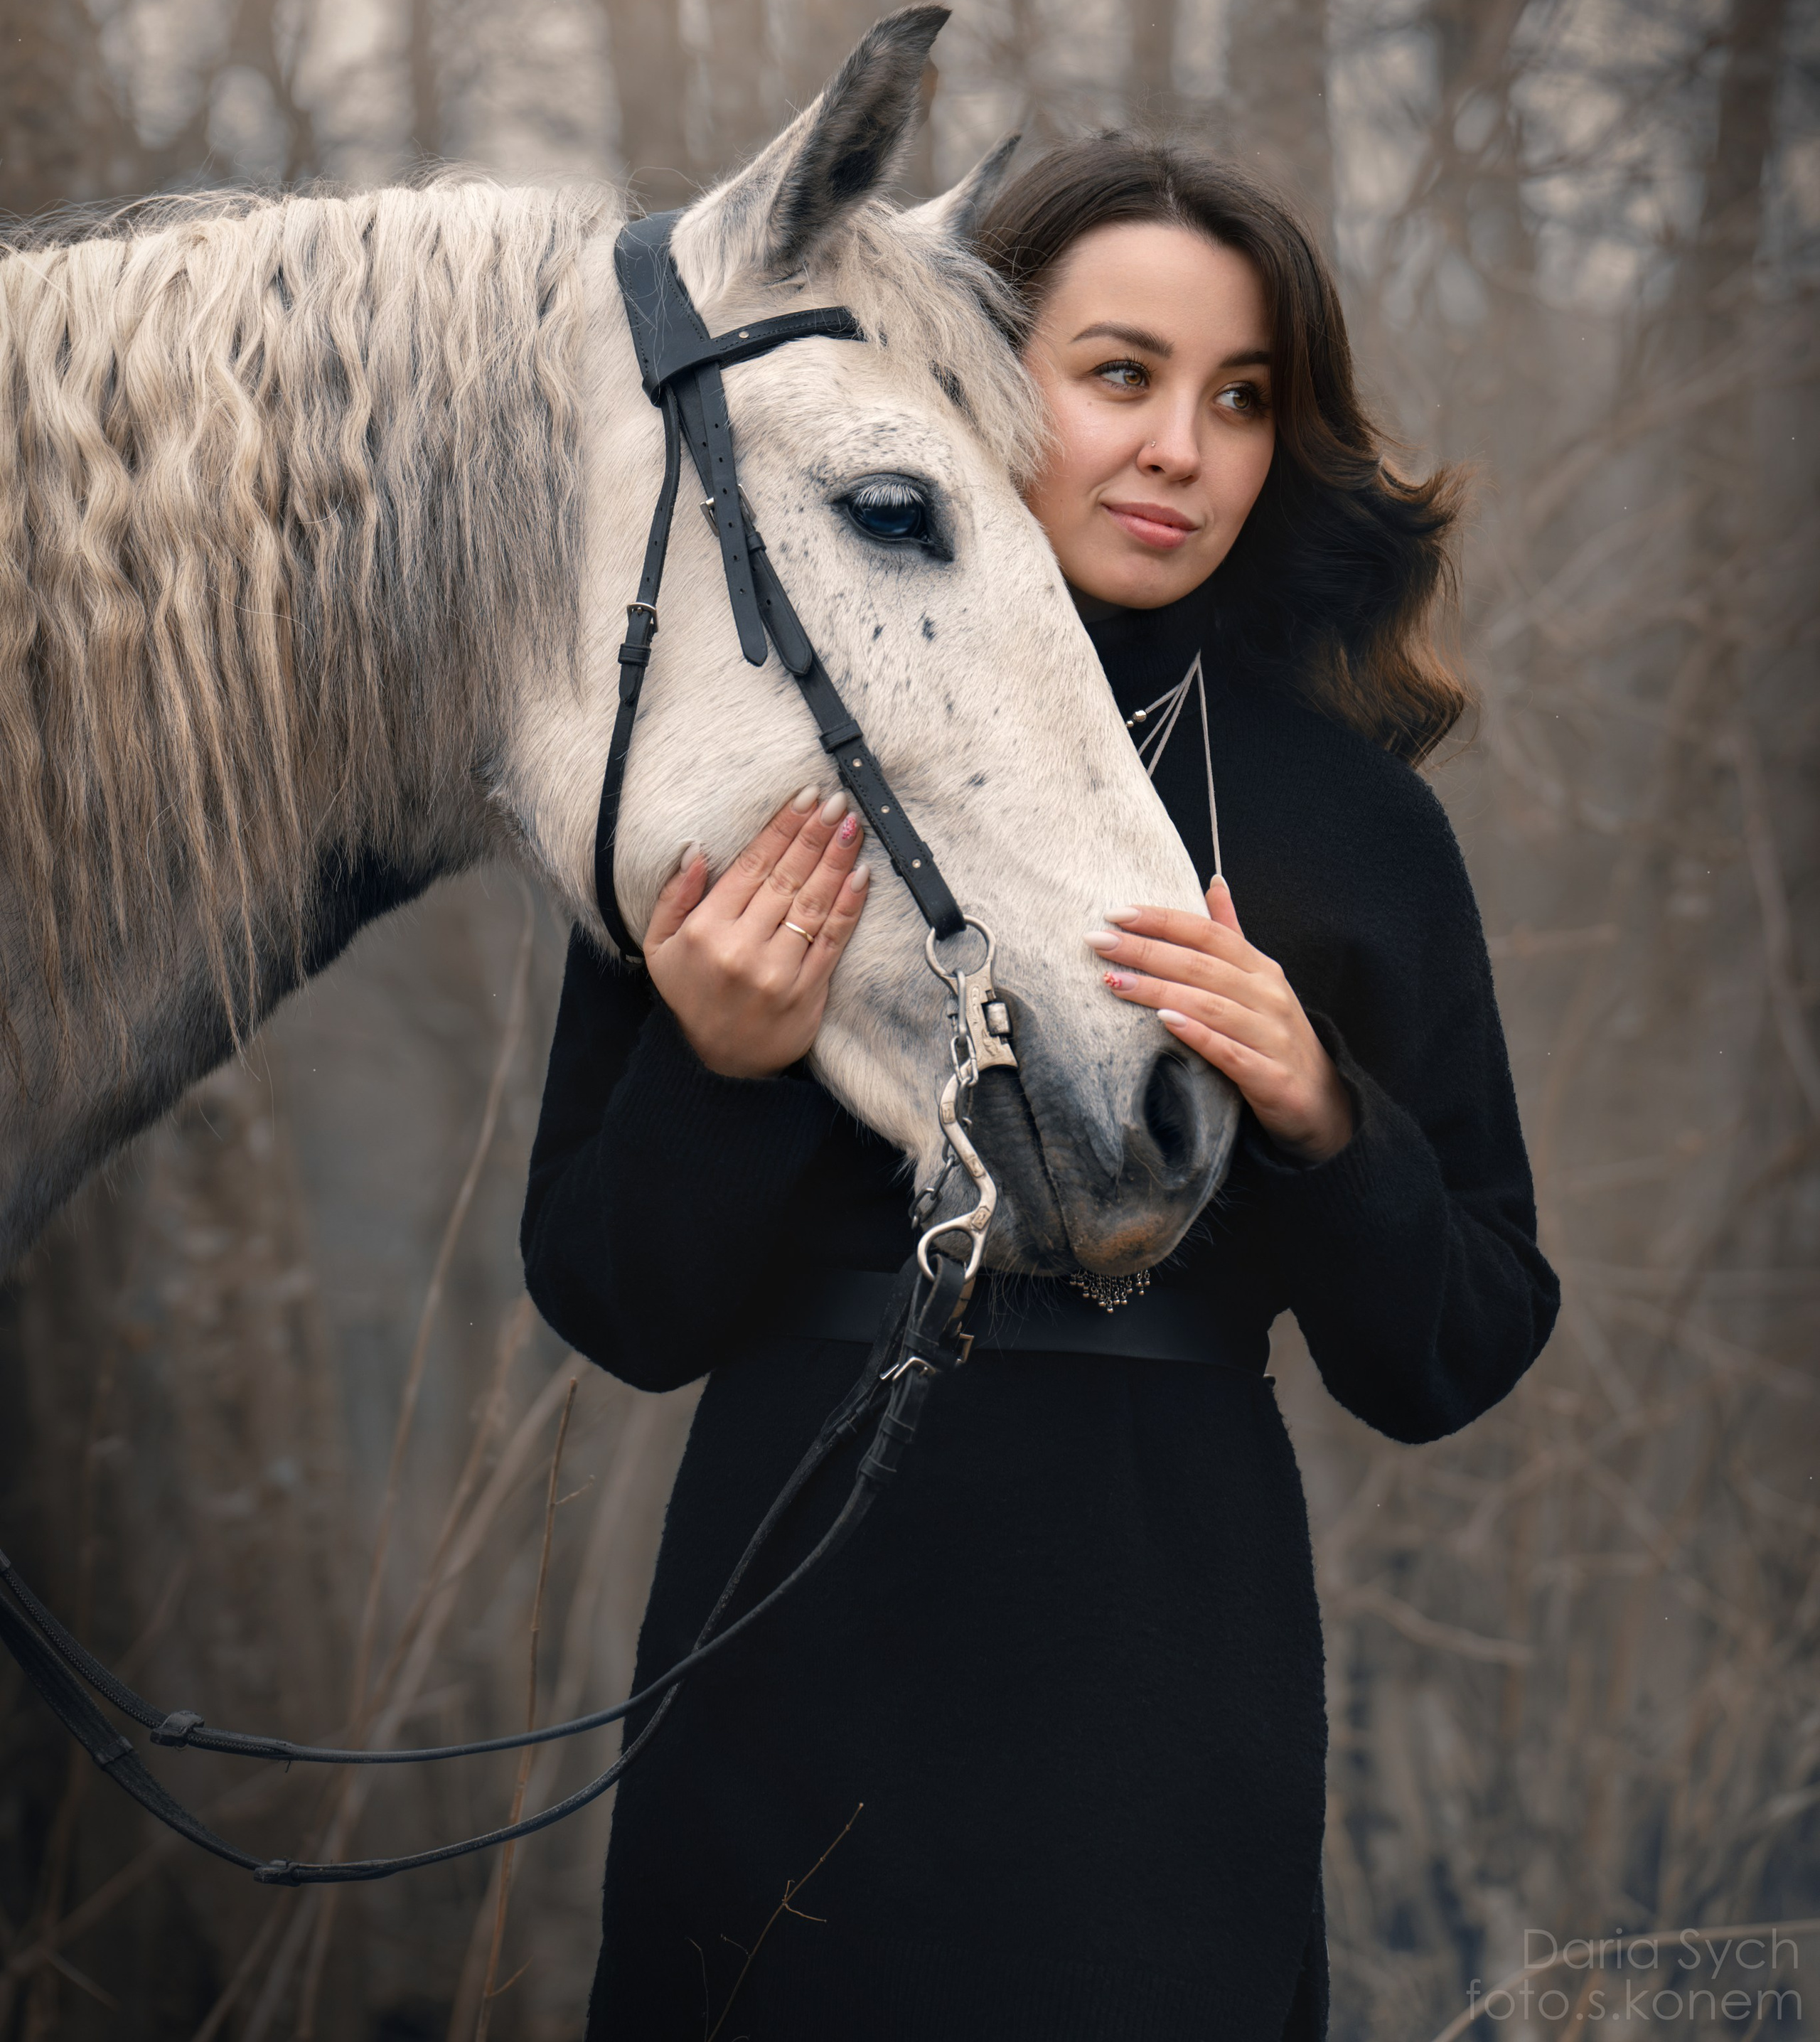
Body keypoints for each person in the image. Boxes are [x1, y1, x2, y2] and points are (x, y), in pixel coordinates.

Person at [521, 136, 1560, 2042]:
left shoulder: (1350, 825)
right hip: (791, 1641)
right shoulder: (754, 736)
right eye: (1121, 375)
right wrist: (726, 1069)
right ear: (979, 383)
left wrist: (1326, 1117)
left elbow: (1464, 1346)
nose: (1183, 446)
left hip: (1162, 1684)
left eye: (1242, 399)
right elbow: (613, 1306)